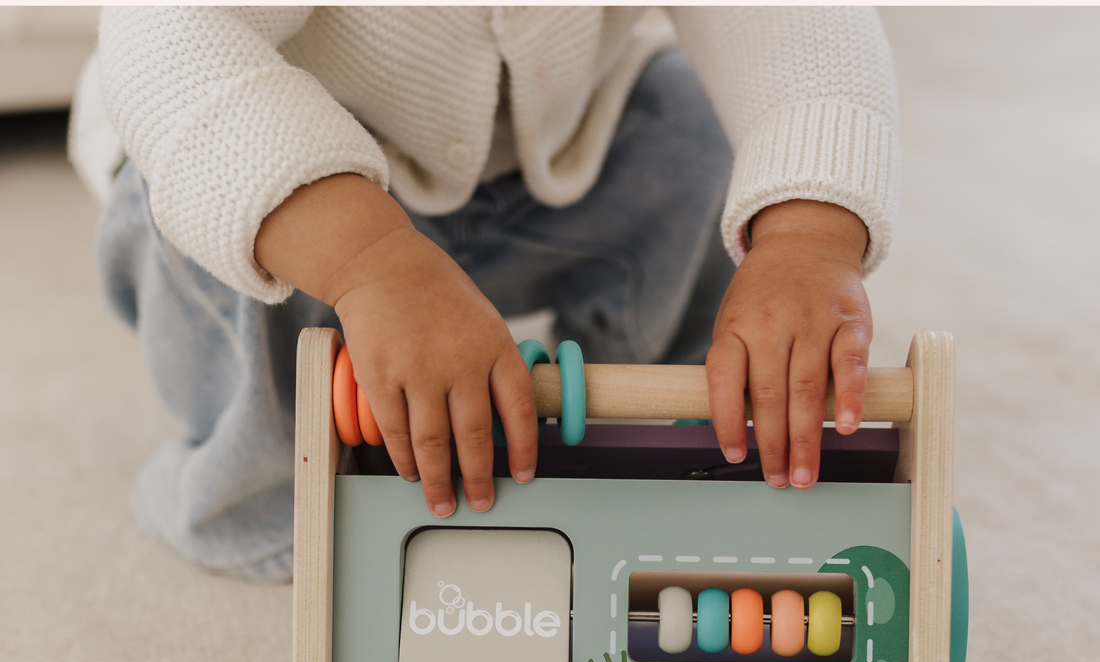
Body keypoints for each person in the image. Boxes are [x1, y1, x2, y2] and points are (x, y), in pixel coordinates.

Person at [78, 7, 899, 582]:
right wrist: (372, 260)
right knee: (194, 196)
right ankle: (254, 497)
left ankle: (654, 436)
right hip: (307, 188)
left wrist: (807, 235)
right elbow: (174, 39)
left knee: (694, 130)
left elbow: (799, 20)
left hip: (555, 160)